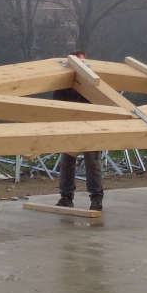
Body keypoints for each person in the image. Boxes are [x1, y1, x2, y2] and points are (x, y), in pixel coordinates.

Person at [54, 50, 104, 210]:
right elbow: (57, 104)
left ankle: (96, 199)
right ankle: (66, 197)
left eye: (83, 62)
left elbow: (102, 103)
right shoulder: (64, 84)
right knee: (67, 162)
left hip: (90, 127)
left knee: (92, 162)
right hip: (70, 128)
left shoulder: (92, 82)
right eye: (78, 63)